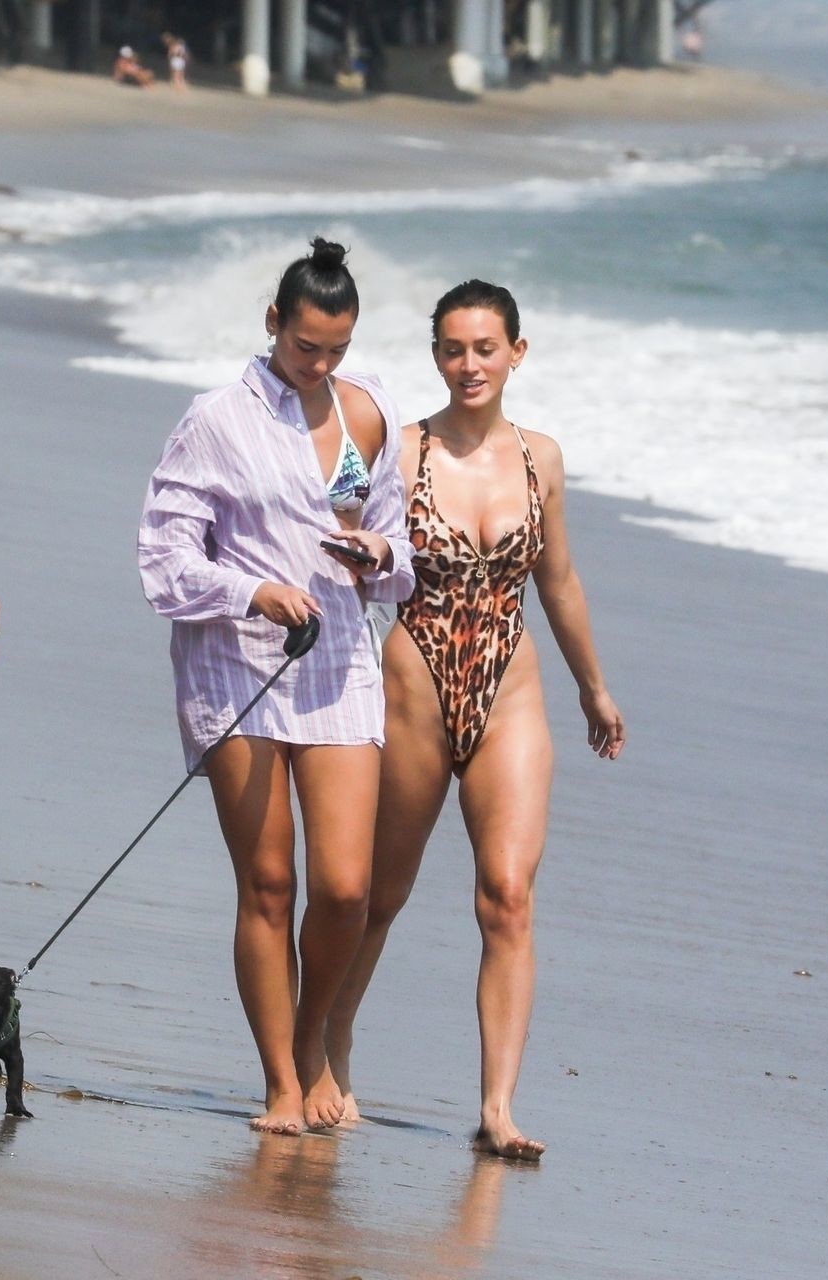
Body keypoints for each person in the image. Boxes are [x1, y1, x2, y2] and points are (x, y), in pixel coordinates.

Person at [325, 280, 625, 1159]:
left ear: (516, 354)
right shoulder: (397, 449)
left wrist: (593, 687)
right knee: (378, 895)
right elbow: (332, 515)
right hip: (414, 682)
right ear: (436, 356)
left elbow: (558, 581)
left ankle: (498, 1108)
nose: (469, 365)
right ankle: (330, 1046)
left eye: (485, 348)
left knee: (508, 895)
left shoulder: (542, 459)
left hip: (510, 690)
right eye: (453, 349)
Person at [138, 238, 415, 1135]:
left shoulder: (366, 411)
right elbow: (164, 558)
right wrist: (251, 589)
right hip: (236, 662)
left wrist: (378, 554)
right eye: (305, 347)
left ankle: (311, 1038)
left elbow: (398, 548)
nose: (319, 365)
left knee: (345, 887)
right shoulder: (216, 419)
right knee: (268, 879)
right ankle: (281, 1085)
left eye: (336, 349)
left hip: (337, 661)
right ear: (273, 323)